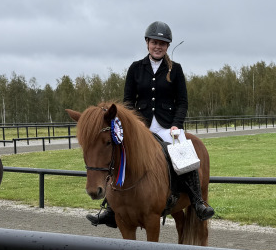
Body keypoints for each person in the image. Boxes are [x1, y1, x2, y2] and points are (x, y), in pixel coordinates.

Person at [87, 21, 215, 227]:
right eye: (155, 42)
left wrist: (176, 124)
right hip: (140, 127)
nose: (158, 46)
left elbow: (182, 101)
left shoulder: (176, 70)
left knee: (184, 154)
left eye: (163, 43)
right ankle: (111, 208)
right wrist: (131, 126)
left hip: (168, 126)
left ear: (167, 46)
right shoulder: (136, 68)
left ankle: (197, 201)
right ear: (147, 43)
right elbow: (127, 102)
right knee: (119, 155)